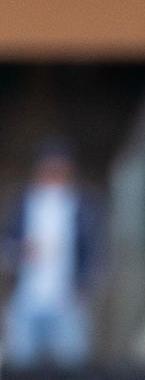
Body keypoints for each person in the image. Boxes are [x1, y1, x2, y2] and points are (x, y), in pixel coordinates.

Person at [1, 139, 101, 368]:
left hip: (67, 302)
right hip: (26, 299)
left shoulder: (83, 205)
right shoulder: (21, 203)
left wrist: (84, 287)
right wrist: (21, 250)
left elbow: (95, 251)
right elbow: (6, 245)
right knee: (21, 373)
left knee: (72, 372)